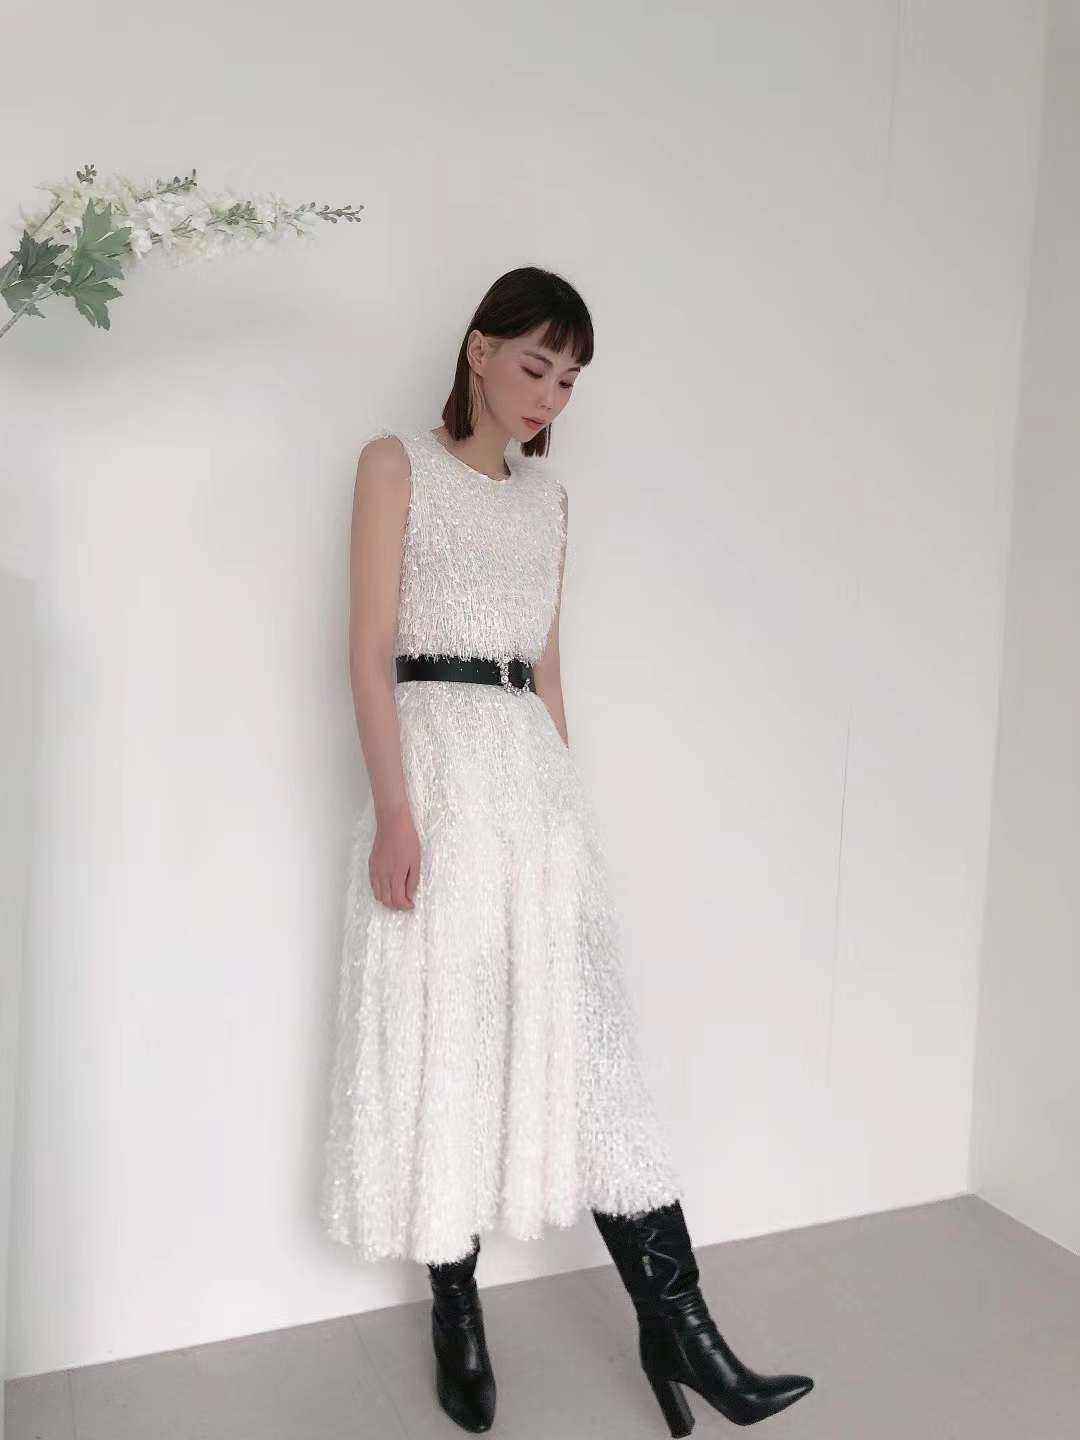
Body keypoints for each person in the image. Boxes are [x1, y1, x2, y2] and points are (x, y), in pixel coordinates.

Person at [319, 266, 815, 1435]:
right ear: (480, 350)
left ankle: (680, 1325)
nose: (550, 395)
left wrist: (569, 815)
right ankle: (457, 1315)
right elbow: (369, 646)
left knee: (593, 1051)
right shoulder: (395, 465)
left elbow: (549, 672)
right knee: (444, 1041)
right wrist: (396, 812)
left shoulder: (549, 503)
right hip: (436, 775)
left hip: (531, 790)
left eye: (571, 380)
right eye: (537, 365)